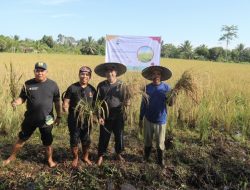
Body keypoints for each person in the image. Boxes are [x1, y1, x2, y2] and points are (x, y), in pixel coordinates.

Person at [3, 62, 62, 167]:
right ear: (34, 72)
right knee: (22, 138)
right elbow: (22, 98)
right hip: (30, 118)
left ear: (46, 72)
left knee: (48, 142)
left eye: (42, 71)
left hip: (47, 119)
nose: (39, 73)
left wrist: (59, 116)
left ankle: (49, 160)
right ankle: (12, 157)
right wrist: (16, 102)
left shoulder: (53, 85)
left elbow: (57, 102)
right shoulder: (28, 84)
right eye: (37, 71)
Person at [139, 65, 176, 167]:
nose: (156, 76)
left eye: (158, 74)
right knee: (147, 141)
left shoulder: (167, 88)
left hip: (161, 120)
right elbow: (143, 104)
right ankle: (146, 157)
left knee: (160, 143)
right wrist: (140, 118)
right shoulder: (147, 88)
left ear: (161, 76)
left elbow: (171, 104)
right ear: (151, 76)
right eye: (154, 74)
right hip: (148, 119)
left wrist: (173, 96)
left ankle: (160, 160)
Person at [94, 62, 129, 166]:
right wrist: (99, 116)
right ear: (105, 73)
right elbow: (97, 102)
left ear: (116, 72)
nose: (110, 73)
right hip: (105, 117)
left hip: (118, 116)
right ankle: (101, 155)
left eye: (112, 71)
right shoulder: (101, 85)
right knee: (103, 137)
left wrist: (127, 104)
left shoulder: (122, 85)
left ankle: (118, 153)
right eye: (107, 71)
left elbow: (126, 100)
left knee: (119, 136)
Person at [62, 66, 96, 168]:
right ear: (79, 75)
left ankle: (85, 157)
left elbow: (95, 106)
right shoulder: (72, 88)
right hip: (74, 119)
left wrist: (94, 117)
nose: (84, 76)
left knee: (86, 139)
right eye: (82, 74)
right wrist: (65, 107)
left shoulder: (92, 89)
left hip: (87, 120)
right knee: (74, 139)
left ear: (89, 77)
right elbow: (66, 102)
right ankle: (75, 157)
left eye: (87, 75)